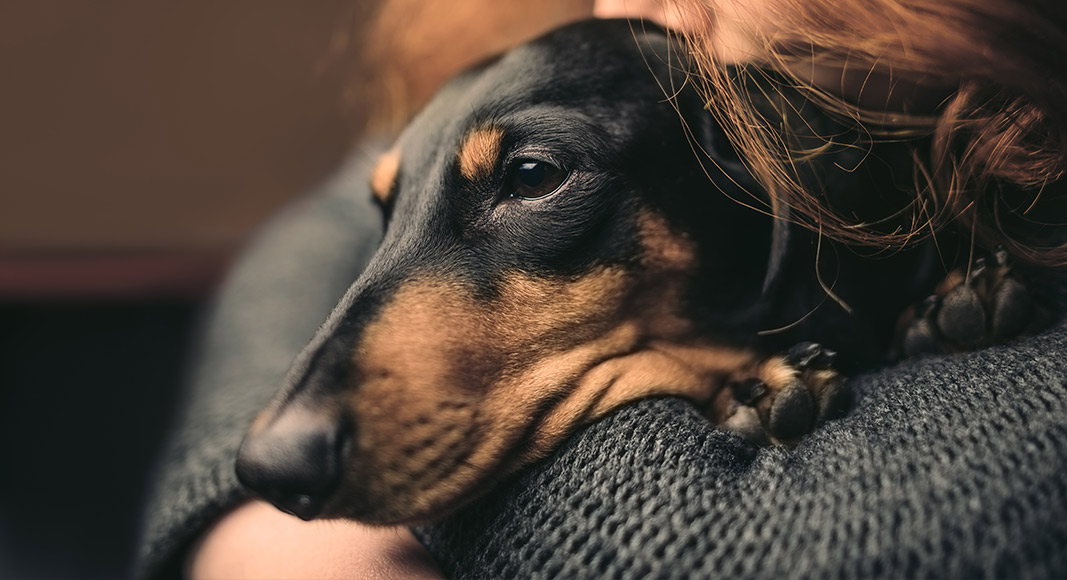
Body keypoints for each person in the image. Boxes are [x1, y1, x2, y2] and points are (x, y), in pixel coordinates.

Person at [139, 1, 1067, 578]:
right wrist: (258, 530)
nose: (622, 3)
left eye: (532, 175)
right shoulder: (631, 73)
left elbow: (744, 547)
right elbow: (334, 216)